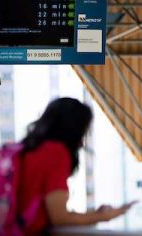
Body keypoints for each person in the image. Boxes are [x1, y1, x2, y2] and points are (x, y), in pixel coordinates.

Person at [18, 97, 135, 235]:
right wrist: (105, 216)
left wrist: (93, 215)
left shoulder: (27, 149)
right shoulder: (55, 153)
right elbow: (59, 217)